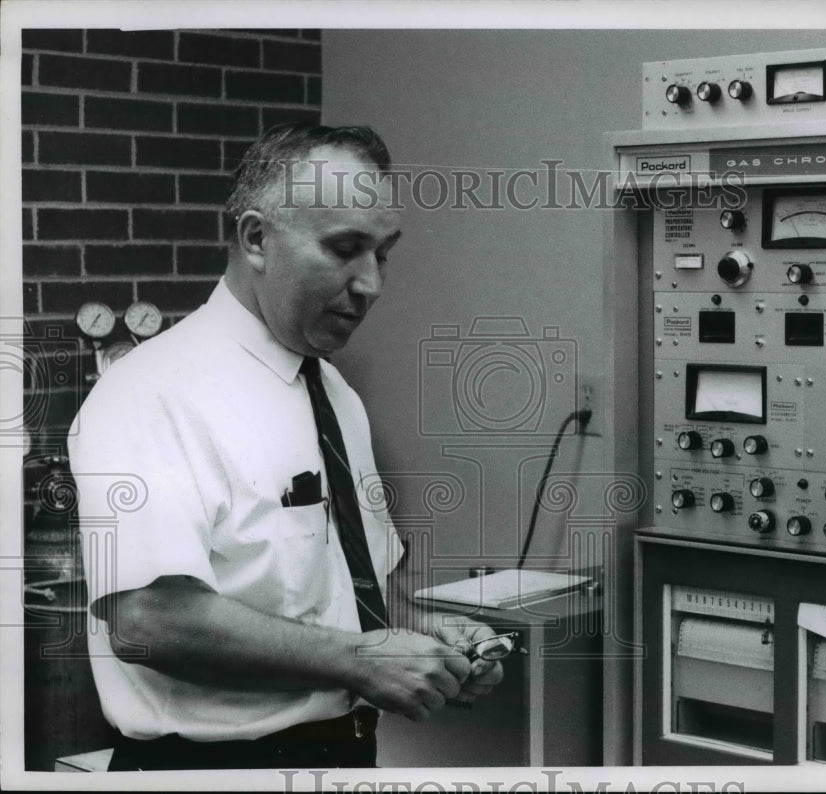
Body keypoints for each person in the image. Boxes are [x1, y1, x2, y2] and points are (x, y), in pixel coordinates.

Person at [67, 122, 503, 771]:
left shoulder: (331, 393)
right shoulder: (152, 392)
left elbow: (337, 592)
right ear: (255, 238)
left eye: (382, 253)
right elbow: (150, 620)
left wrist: (420, 641)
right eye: (345, 248)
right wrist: (359, 660)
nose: (371, 284)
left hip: (344, 756)